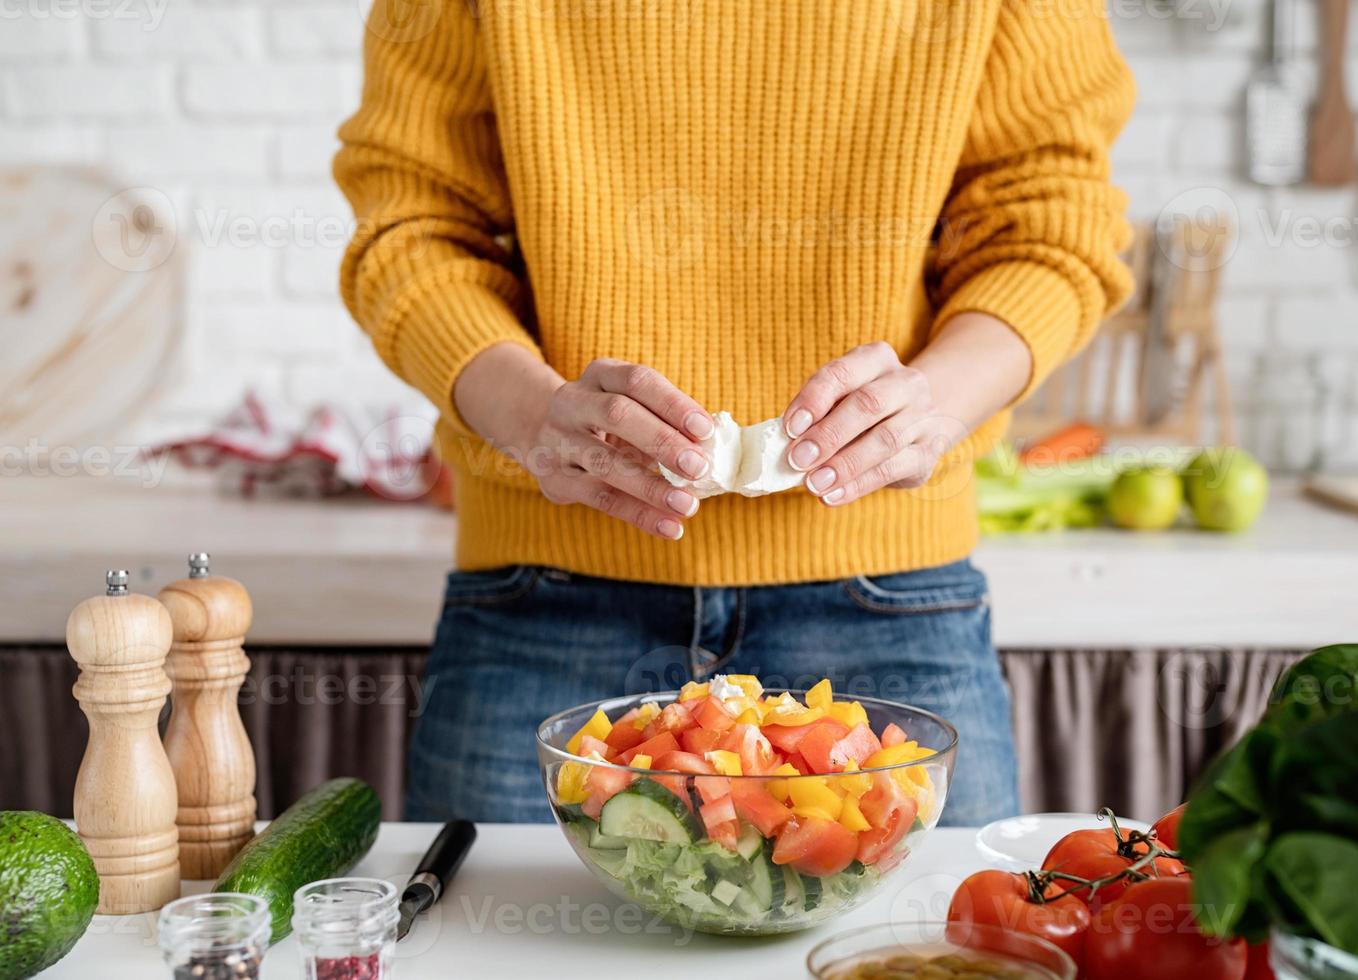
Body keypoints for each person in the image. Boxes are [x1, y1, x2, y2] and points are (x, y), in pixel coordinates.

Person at [335, 0, 1135, 826]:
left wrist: (935, 402)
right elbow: (411, 225)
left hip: (889, 595)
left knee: (932, 946)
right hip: (544, 594)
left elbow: (1052, 226)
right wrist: (529, 414)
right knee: (486, 949)